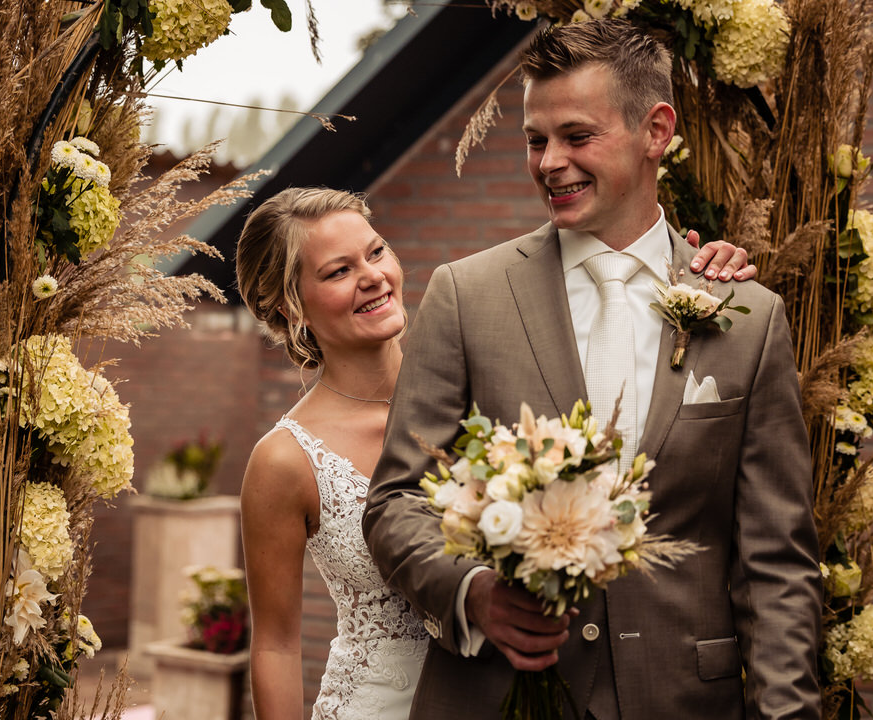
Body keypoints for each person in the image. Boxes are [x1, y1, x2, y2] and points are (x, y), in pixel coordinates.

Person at [364, 17, 822, 720]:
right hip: (497, 697)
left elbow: (776, 566)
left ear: (656, 131)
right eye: (535, 140)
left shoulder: (748, 317)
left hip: (683, 700)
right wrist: (475, 591)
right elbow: (396, 502)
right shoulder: (466, 295)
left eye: (577, 137)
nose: (550, 162)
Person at [236, 185, 755, 720]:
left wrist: (686, 268)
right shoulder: (283, 460)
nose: (373, 276)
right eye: (338, 271)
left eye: (376, 251)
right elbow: (276, 644)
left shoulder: (487, 379)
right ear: (288, 306)